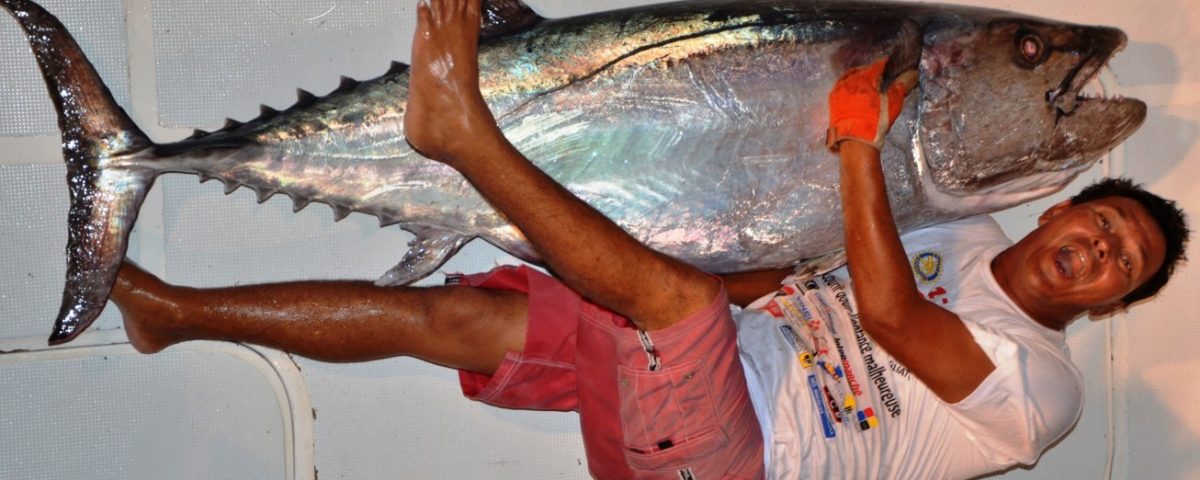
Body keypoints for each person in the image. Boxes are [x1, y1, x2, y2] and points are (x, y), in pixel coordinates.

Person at [107, 0, 1189, 478]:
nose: (1099, 250)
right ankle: (168, 312)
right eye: (1103, 223)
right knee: (455, 319)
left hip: (739, 461)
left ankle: (467, 136)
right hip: (695, 385)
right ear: (1058, 209)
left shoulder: (1045, 390)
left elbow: (892, 316)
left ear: (1109, 305)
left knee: (676, 302)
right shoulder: (959, 227)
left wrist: (860, 145)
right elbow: (792, 271)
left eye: (1122, 265)